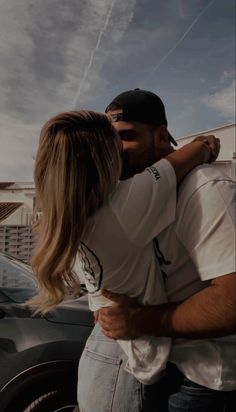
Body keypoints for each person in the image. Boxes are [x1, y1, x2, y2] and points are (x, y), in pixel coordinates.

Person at [28, 109, 219, 412]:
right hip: (130, 358)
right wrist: (206, 144)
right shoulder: (125, 203)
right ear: (107, 158)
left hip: (105, 344)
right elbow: (189, 155)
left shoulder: (59, 218)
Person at [95, 88, 236, 411]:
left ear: (160, 136)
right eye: (109, 140)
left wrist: (138, 321)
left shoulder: (205, 187)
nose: (116, 149)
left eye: (127, 136)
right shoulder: (124, 196)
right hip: (151, 366)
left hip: (207, 380)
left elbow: (232, 302)